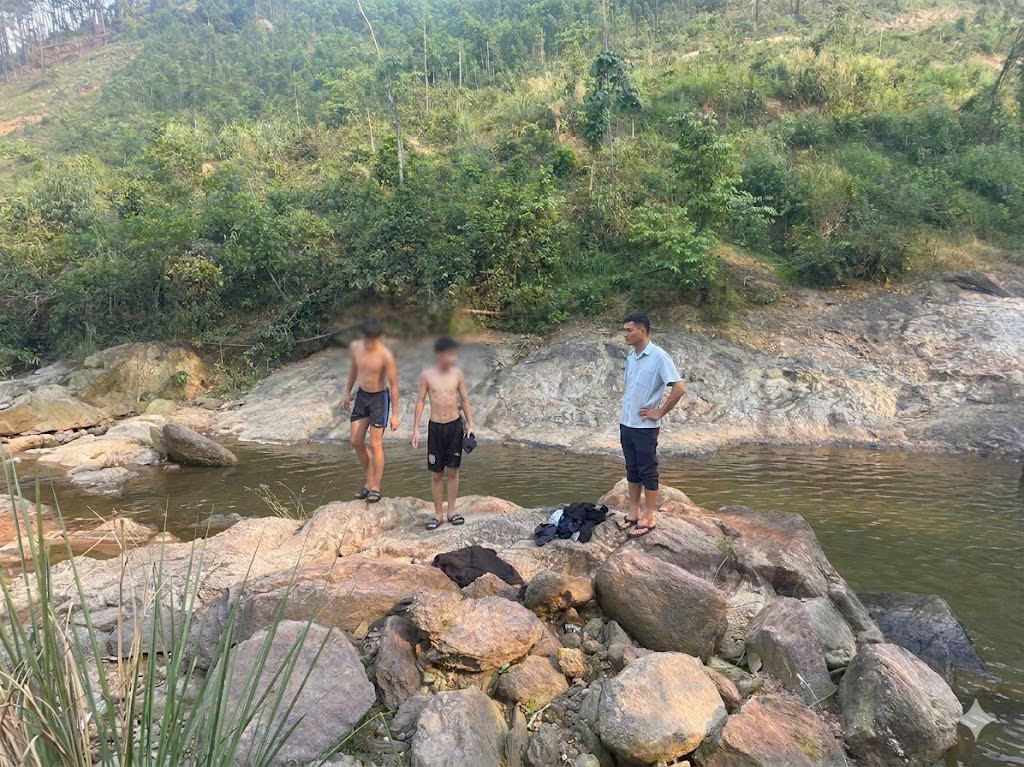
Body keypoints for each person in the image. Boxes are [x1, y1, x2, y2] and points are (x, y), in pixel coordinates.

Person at [618, 312, 686, 537]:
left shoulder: (658, 356)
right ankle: (633, 513)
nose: (625, 334)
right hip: (627, 423)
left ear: (643, 331)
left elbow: (679, 388)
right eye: (624, 330)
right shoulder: (631, 356)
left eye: (629, 330)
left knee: (648, 470)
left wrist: (660, 412)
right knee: (632, 469)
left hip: (645, 427)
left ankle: (649, 516)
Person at [411, 337, 477, 530]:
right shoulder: (427, 375)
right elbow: (420, 401)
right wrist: (416, 429)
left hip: (454, 427)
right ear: (439, 355)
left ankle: (451, 512)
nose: (454, 358)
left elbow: (464, 400)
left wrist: (471, 424)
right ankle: (438, 515)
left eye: (455, 354)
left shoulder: (457, 374)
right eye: (450, 354)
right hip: (436, 428)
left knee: (453, 471)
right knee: (437, 474)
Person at [342, 320, 400, 503]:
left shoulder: (385, 355)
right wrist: (347, 392)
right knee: (356, 441)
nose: (369, 343)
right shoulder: (356, 348)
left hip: (379, 399)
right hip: (362, 396)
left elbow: (394, 385)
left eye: (373, 339)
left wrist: (395, 415)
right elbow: (353, 369)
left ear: (378, 338)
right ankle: (369, 480)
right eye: (367, 339)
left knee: (375, 444)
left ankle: (375, 486)